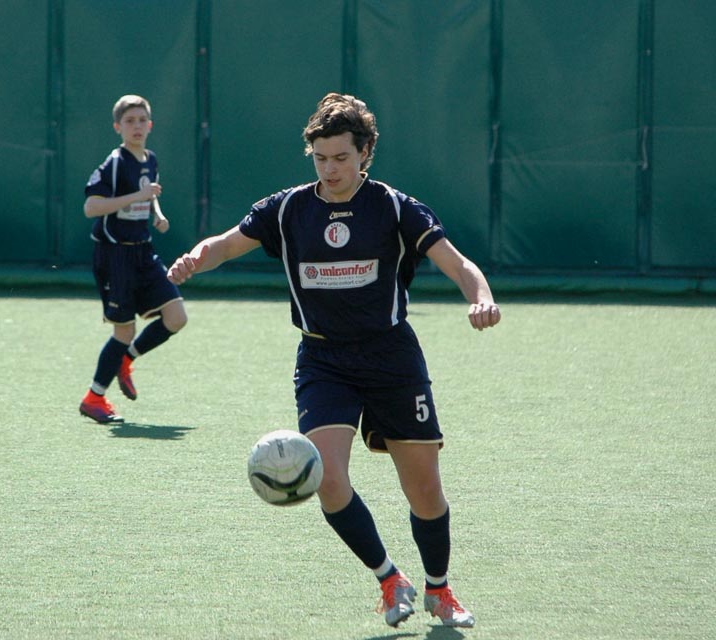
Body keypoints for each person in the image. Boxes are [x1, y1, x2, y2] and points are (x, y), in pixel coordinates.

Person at [167, 93, 501, 629]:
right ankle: (389, 579)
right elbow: (225, 245)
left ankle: (439, 589)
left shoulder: (395, 207)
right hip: (323, 358)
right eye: (321, 158)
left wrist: (480, 297)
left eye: (341, 157)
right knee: (324, 474)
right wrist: (193, 260)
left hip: (392, 356)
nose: (330, 169)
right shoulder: (287, 209)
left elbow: (458, 264)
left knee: (424, 489)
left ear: (365, 152)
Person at [79, 94, 187, 424]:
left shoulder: (150, 159)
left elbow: (147, 194)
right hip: (115, 255)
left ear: (150, 125)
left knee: (176, 317)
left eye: (142, 120)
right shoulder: (114, 163)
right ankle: (94, 398)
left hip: (143, 250)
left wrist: (157, 213)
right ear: (117, 127)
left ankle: (126, 360)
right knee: (123, 331)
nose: (136, 126)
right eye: (129, 121)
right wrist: (138, 196)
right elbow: (91, 207)